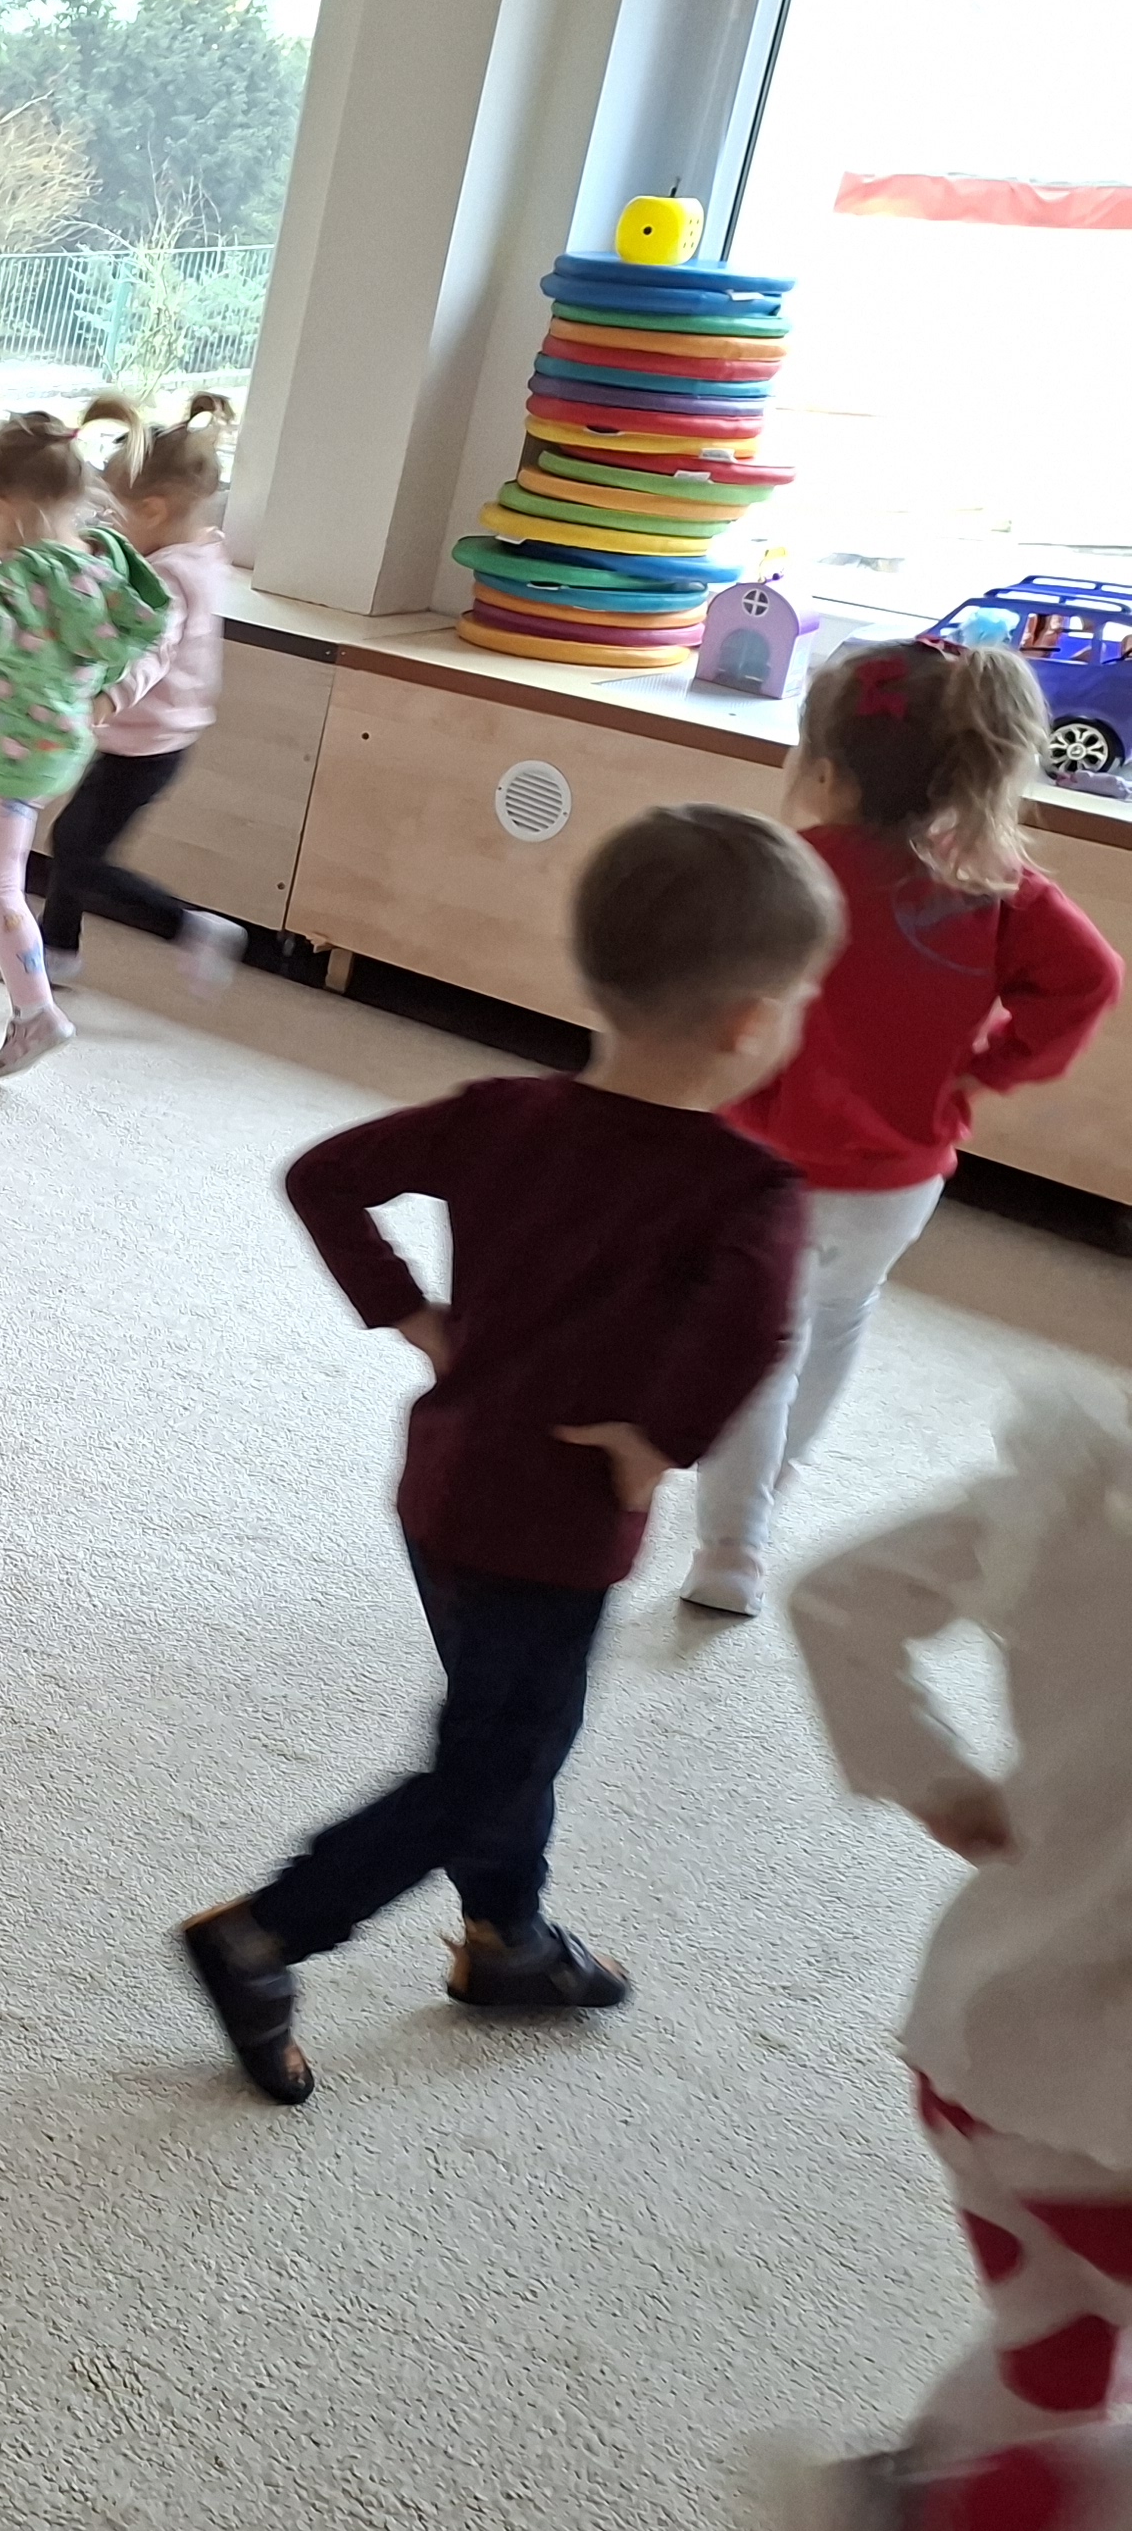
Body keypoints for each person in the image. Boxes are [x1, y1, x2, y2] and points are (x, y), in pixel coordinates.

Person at [177, 805, 837, 2106]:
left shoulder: (500, 1114)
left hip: (445, 1486)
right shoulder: (748, 1190)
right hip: (558, 1523)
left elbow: (321, 1176)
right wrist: (659, 1442)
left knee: (506, 1724)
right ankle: (264, 1935)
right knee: (496, 1760)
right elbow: (761, 1327)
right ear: (751, 1023)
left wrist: (411, 1315)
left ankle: (508, 1941)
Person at [764, 1377, 1132, 2531]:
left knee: (1054, 2347)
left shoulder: (1085, 1486)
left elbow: (836, 1595)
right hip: (1105, 2111)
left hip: (986, 2037)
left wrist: (927, 1772)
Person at [684, 639, 1122, 1618]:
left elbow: (705, 981)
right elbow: (1090, 980)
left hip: (761, 1167)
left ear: (826, 768)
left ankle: (731, 1546)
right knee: (838, 1315)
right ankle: (776, 1474)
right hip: (898, 1179)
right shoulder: (998, 889)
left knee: (757, 1341)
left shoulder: (786, 867)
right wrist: (991, 1066)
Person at [0, 414, 176, 1082]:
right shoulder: (98, 567)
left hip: (13, 753)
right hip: (52, 741)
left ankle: (35, 1012)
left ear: (4, 505)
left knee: (5, 891)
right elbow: (124, 645)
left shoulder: (21, 580)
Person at [40, 390, 248, 999]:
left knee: (79, 850)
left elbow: (151, 651)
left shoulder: (168, 579)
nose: (106, 526)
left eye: (113, 515)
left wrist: (107, 700)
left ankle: (190, 927)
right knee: (74, 840)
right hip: (152, 736)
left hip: (146, 741)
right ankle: (56, 950)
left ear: (153, 510)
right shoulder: (199, 552)